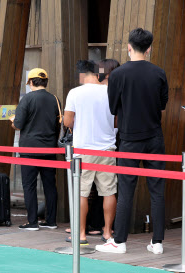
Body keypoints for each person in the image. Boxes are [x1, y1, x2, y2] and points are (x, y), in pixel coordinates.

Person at [97, 28, 168, 255]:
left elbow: (112, 108)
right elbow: (163, 104)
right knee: (157, 190)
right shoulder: (159, 73)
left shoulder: (118, 75)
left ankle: (119, 241)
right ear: (149, 48)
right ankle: (157, 243)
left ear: (129, 47)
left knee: (126, 190)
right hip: (155, 137)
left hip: (129, 138)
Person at [62, 60, 117, 244]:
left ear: (82, 74)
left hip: (83, 149)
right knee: (108, 191)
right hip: (107, 148)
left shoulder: (75, 93)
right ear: (97, 73)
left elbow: (67, 121)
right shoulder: (110, 91)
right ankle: (108, 232)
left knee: (82, 192)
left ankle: (81, 234)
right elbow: (116, 120)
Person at [11, 68, 60, 231]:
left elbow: (18, 125)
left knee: (29, 186)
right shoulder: (55, 99)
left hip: (29, 149)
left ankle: (32, 222)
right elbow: (59, 124)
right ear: (45, 82)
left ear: (31, 82)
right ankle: (51, 221)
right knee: (50, 186)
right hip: (50, 150)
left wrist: (13, 121)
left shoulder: (27, 99)